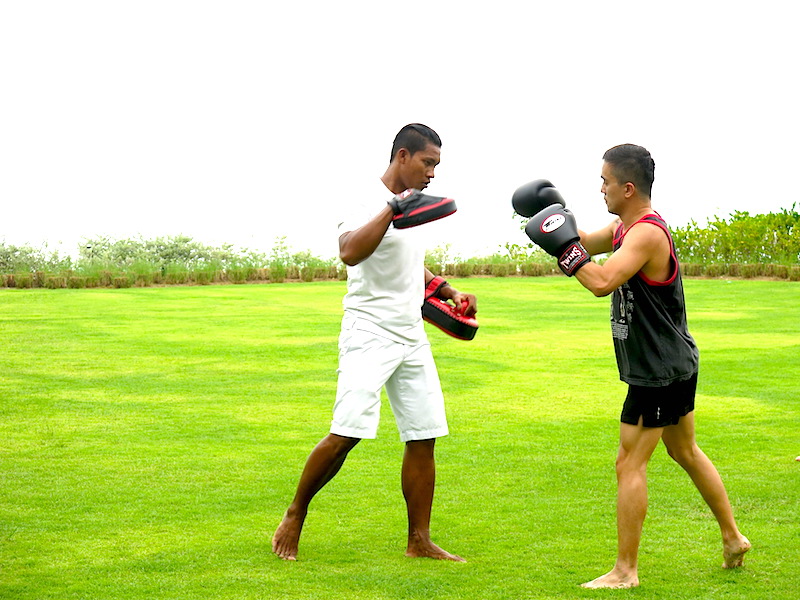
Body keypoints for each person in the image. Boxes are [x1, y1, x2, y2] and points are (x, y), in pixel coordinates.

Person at [521, 144, 750, 589]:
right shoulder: (624, 228)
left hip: (658, 370)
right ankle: (733, 537)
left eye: (605, 181)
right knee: (684, 451)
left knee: (629, 464)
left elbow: (602, 281)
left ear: (628, 188)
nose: (600, 188)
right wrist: (551, 216)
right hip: (672, 361)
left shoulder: (647, 234)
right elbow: (581, 241)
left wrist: (563, 247)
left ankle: (625, 571)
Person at [272, 123, 476, 562]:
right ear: (402, 156)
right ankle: (295, 513)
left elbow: (407, 261)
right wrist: (391, 209)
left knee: (425, 435)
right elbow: (349, 250)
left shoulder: (416, 206)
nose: (432, 174)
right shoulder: (363, 198)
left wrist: (447, 291)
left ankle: (419, 540)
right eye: (427, 163)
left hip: (411, 336)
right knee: (347, 433)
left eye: (436, 166)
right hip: (368, 332)